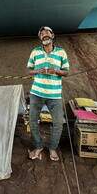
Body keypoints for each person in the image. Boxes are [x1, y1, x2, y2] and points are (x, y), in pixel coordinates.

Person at [27, 26, 69, 161]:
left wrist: (56, 71)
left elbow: (66, 72)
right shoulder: (35, 52)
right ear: (40, 38)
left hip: (54, 95)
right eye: (42, 34)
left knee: (58, 123)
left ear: (52, 35)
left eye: (47, 33)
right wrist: (38, 71)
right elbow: (29, 70)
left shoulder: (61, 52)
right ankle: (38, 146)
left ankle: (52, 148)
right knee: (33, 121)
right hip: (36, 93)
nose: (44, 35)